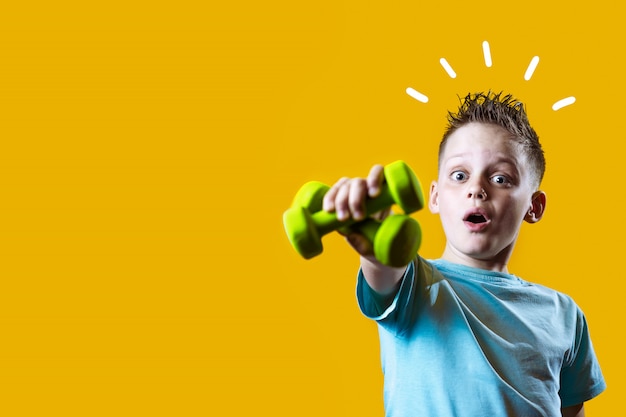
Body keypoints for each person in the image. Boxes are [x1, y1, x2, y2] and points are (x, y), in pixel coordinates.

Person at [322, 92, 606, 417]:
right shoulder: (414, 285)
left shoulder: (564, 315)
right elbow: (385, 269)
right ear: (435, 196)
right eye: (459, 175)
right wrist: (376, 245)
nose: (477, 189)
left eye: (500, 178)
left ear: (534, 206)